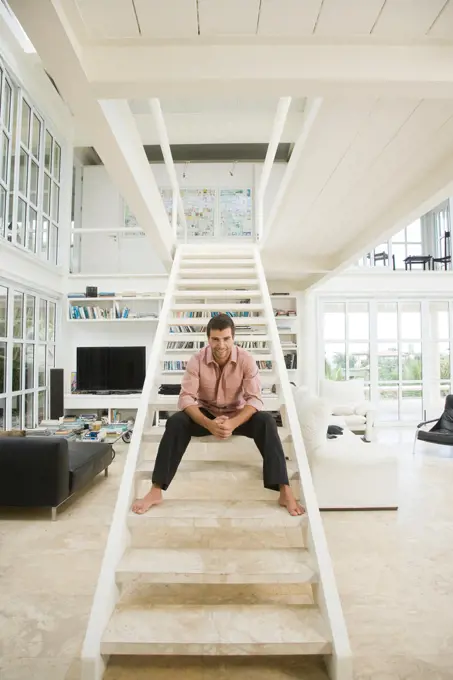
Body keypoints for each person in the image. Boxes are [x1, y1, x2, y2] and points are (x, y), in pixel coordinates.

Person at [132, 313, 304, 516]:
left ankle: (284, 489)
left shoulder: (246, 360)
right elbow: (186, 398)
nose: (221, 345)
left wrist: (232, 423)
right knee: (176, 421)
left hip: (237, 414)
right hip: (206, 412)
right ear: (208, 339)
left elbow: (255, 399)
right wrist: (209, 424)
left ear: (233, 338)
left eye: (226, 339)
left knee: (266, 421)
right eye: (215, 339)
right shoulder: (196, 360)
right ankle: (156, 490)